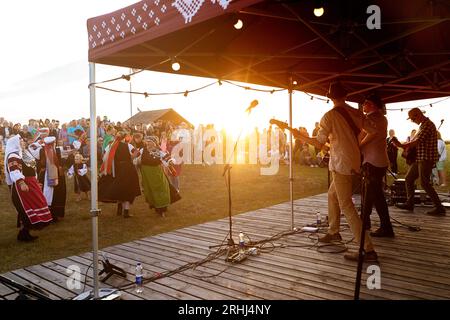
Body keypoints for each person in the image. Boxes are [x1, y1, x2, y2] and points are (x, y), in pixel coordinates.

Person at [296, 82, 378, 261]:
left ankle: (368, 249)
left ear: (330, 97)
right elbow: (373, 129)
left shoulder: (329, 116)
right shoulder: (356, 113)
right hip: (353, 161)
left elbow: (319, 143)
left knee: (346, 205)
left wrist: (300, 136)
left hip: (341, 163)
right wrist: (356, 143)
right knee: (332, 195)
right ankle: (334, 231)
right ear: (345, 96)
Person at [394, 108, 446, 216]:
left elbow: (417, 141)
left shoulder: (428, 125)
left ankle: (439, 207)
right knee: (409, 179)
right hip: (420, 158)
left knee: (424, 183)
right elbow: (415, 141)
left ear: (418, 115)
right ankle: (410, 203)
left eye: (413, 118)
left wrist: (402, 146)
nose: (412, 121)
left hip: (426, 158)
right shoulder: (423, 125)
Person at [4, 135, 53, 241]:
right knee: (26, 209)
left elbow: (32, 168)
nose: (23, 142)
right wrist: (21, 182)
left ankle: (24, 233)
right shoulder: (13, 155)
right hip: (22, 186)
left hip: (31, 183)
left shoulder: (23, 153)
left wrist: (36, 181)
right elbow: (14, 170)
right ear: (15, 143)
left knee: (34, 205)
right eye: (20, 141)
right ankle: (23, 234)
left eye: (23, 141)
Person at [360, 93, 394, 237]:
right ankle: (365, 220)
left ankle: (386, 227)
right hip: (380, 160)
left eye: (365, 103)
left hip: (372, 161)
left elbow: (362, 137)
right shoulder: (383, 118)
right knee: (369, 191)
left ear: (372, 105)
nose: (363, 106)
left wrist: (358, 145)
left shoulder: (369, 119)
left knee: (377, 195)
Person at [98, 131, 141, 218]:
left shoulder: (110, 146)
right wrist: (133, 156)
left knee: (119, 188)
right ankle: (126, 211)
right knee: (127, 189)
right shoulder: (128, 145)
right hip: (127, 169)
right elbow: (137, 154)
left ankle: (119, 209)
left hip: (116, 169)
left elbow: (104, 156)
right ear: (124, 137)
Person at [140, 136, 181, 217]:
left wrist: (171, 161)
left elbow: (167, 158)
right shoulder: (142, 150)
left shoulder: (158, 151)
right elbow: (135, 158)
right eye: (147, 142)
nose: (148, 143)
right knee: (151, 190)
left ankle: (162, 209)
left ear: (154, 143)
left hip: (157, 173)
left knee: (161, 189)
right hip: (147, 174)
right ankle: (156, 206)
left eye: (150, 142)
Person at [36, 136, 67, 221]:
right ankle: (46, 214)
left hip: (57, 175)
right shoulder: (41, 150)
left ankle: (55, 214)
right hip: (46, 176)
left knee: (57, 193)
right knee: (47, 193)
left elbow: (61, 160)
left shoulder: (57, 150)